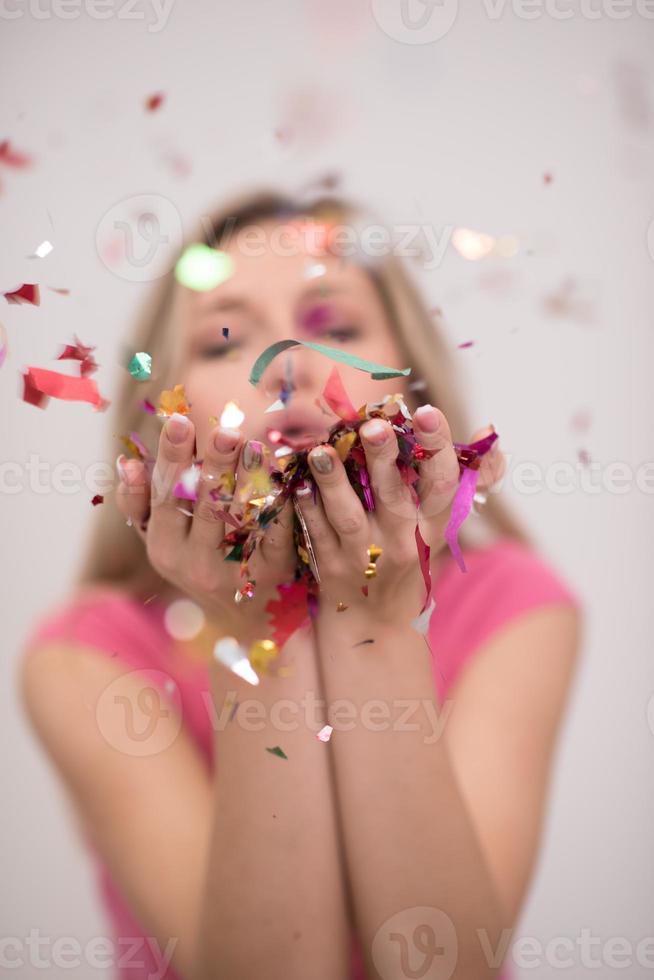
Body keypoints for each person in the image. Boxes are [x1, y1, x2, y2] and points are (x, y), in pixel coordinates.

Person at [18, 188, 584, 980]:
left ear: (415, 388)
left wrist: (376, 623)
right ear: (162, 423)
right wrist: (258, 631)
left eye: (337, 327)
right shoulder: (86, 658)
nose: (285, 365)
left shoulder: (513, 605)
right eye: (224, 339)